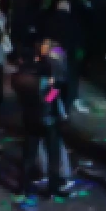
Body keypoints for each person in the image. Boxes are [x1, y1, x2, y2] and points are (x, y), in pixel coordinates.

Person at [12, 44, 68, 196]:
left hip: (30, 119)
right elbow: (49, 99)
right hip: (48, 120)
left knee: (28, 155)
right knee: (53, 156)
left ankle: (22, 187)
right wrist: (54, 88)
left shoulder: (17, 77)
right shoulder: (44, 79)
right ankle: (53, 188)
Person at [43, 0, 86, 113]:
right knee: (69, 83)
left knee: (55, 82)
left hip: (52, 55)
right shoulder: (73, 21)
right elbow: (79, 41)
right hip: (68, 56)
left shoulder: (49, 20)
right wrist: (79, 57)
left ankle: (50, 103)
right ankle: (65, 107)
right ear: (68, 9)